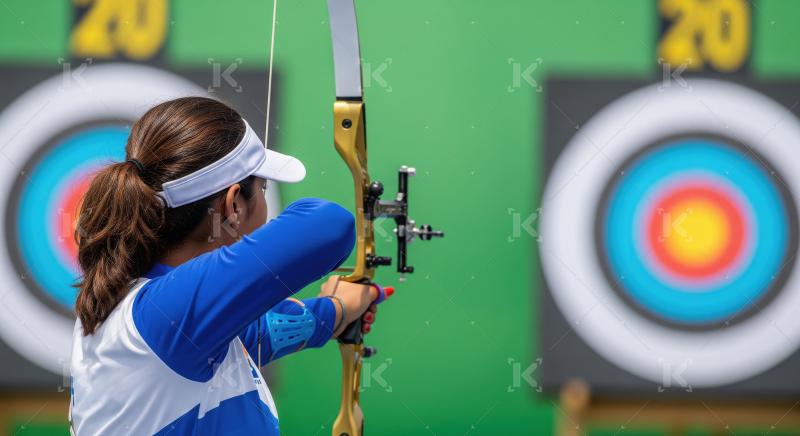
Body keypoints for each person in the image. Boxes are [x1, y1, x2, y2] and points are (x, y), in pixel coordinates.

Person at [69, 96, 384, 435]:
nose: (264, 200)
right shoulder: (169, 311)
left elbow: (254, 335)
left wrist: (335, 310)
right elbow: (330, 225)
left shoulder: (153, 308)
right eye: (261, 188)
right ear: (233, 205)